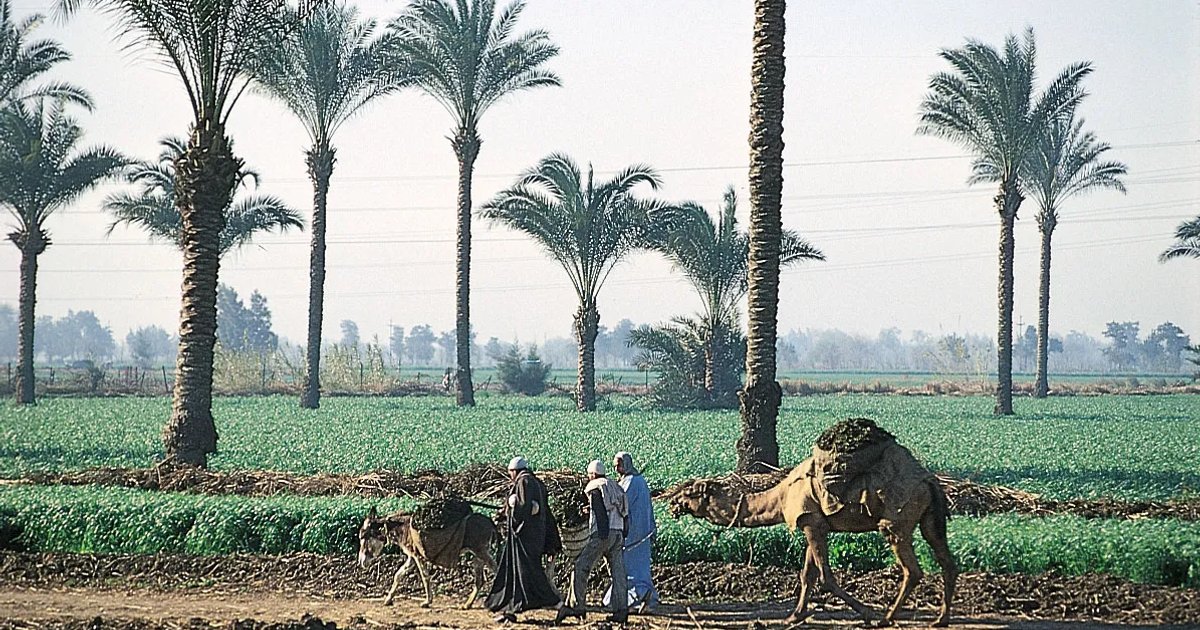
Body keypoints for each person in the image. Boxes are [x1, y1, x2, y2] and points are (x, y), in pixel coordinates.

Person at [486, 457, 561, 623]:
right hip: (534, 536)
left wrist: (512, 518)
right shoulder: (536, 483)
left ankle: (555, 602)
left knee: (526, 570)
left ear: (514, 471)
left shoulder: (524, 482)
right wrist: (503, 512)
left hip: (524, 536)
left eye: (510, 473)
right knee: (519, 571)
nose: (510, 476)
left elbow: (523, 506)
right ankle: (511, 608)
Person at [555, 460, 629, 624]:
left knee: (581, 567)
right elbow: (623, 510)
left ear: (593, 474)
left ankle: (577, 606)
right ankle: (622, 610)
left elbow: (600, 509)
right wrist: (625, 530)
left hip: (603, 533)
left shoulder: (594, 486)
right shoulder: (615, 485)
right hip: (618, 532)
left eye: (589, 475)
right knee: (618, 572)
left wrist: (601, 533)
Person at [603, 451, 658, 612]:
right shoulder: (640, 480)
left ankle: (631, 600)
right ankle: (645, 597)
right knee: (640, 567)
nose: (616, 468)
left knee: (628, 568)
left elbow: (619, 501)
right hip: (642, 532)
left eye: (618, 465)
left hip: (632, 533)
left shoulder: (631, 482)